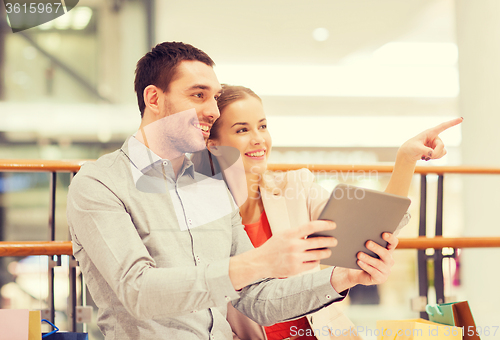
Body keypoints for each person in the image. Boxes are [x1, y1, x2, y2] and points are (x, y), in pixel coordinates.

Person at [67, 42, 401, 340]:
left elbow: (256, 300)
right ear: (153, 98)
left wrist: (343, 277)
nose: (212, 110)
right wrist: (257, 262)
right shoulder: (99, 183)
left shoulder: (208, 188)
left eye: (213, 97)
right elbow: (138, 290)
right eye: (198, 95)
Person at [191, 84, 463, 340]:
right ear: (213, 144)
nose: (259, 139)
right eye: (242, 130)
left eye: (263, 126)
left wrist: (405, 159)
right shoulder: (199, 214)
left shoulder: (295, 186)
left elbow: (369, 228)